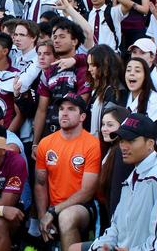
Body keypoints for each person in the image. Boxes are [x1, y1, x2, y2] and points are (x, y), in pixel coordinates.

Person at [74, 113, 157, 251]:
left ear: (150, 144)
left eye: (130, 140)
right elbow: (116, 228)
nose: (123, 146)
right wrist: (102, 247)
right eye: (121, 140)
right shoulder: (134, 176)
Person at [35, 93, 100, 250]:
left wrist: (54, 212)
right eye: (61, 109)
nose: (64, 113)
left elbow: (87, 192)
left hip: (83, 207)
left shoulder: (92, 143)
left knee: (66, 216)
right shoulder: (45, 143)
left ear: (82, 116)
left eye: (71, 109)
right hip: (52, 208)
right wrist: (42, 215)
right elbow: (40, 184)